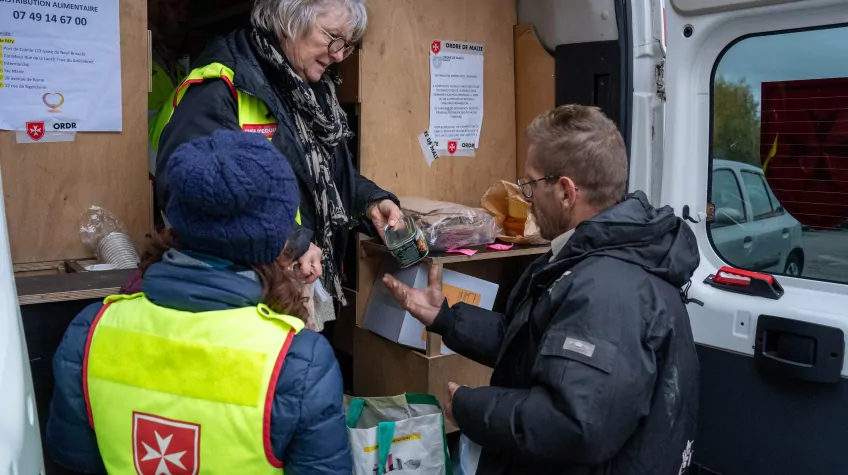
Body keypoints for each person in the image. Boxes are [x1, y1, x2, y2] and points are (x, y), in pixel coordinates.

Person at [384, 105, 701, 475]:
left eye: (530, 184)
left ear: (566, 191)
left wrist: (472, 408)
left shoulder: (606, 293)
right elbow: (533, 346)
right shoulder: (583, 258)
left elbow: (574, 425)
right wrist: (446, 319)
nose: (526, 196)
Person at [45, 131, 351, 474]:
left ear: (176, 220)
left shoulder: (90, 332)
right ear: (277, 239)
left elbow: (69, 464)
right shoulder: (300, 361)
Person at [148, 0, 400, 321]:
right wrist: (292, 241)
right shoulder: (222, 84)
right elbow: (186, 186)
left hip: (299, 282)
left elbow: (325, 177)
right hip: (241, 292)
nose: (338, 55)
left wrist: (370, 201)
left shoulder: (310, 91)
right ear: (289, 20)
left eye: (347, 45)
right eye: (333, 37)